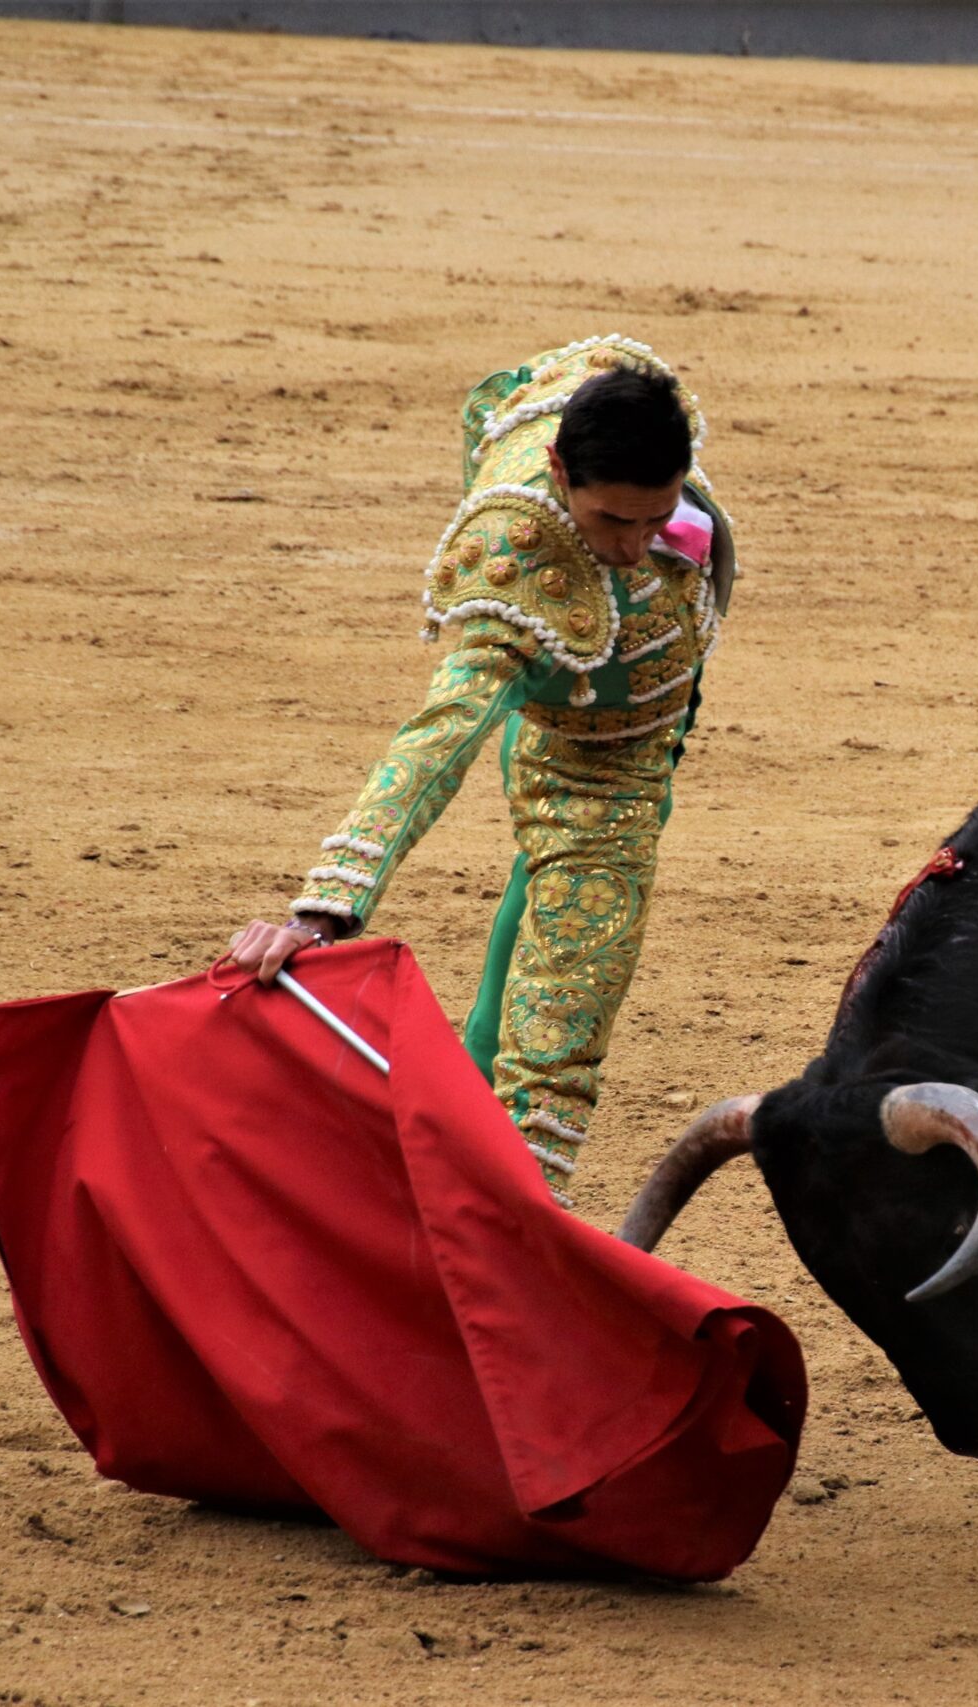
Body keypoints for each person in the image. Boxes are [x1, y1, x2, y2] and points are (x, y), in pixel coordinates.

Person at [228, 334, 736, 1207]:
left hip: (642, 725)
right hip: (587, 737)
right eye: (612, 520)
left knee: (551, 934)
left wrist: (655, 528)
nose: (632, 546)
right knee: (550, 1058)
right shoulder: (514, 561)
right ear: (557, 471)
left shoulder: (652, 423)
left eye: (655, 520)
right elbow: (442, 734)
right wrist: (323, 909)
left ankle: (447, 1152)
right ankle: (486, 1211)